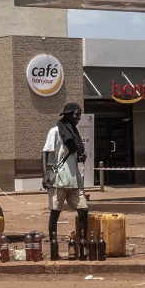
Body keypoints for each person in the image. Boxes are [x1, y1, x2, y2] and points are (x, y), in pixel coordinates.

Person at [43, 102, 88, 261]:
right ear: (68, 114)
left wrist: (82, 157)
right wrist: (44, 175)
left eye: (80, 115)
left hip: (74, 178)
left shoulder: (75, 133)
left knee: (83, 210)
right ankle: (54, 248)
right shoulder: (55, 131)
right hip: (59, 179)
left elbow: (77, 154)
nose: (78, 118)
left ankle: (83, 246)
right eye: (76, 115)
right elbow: (45, 153)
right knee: (55, 213)